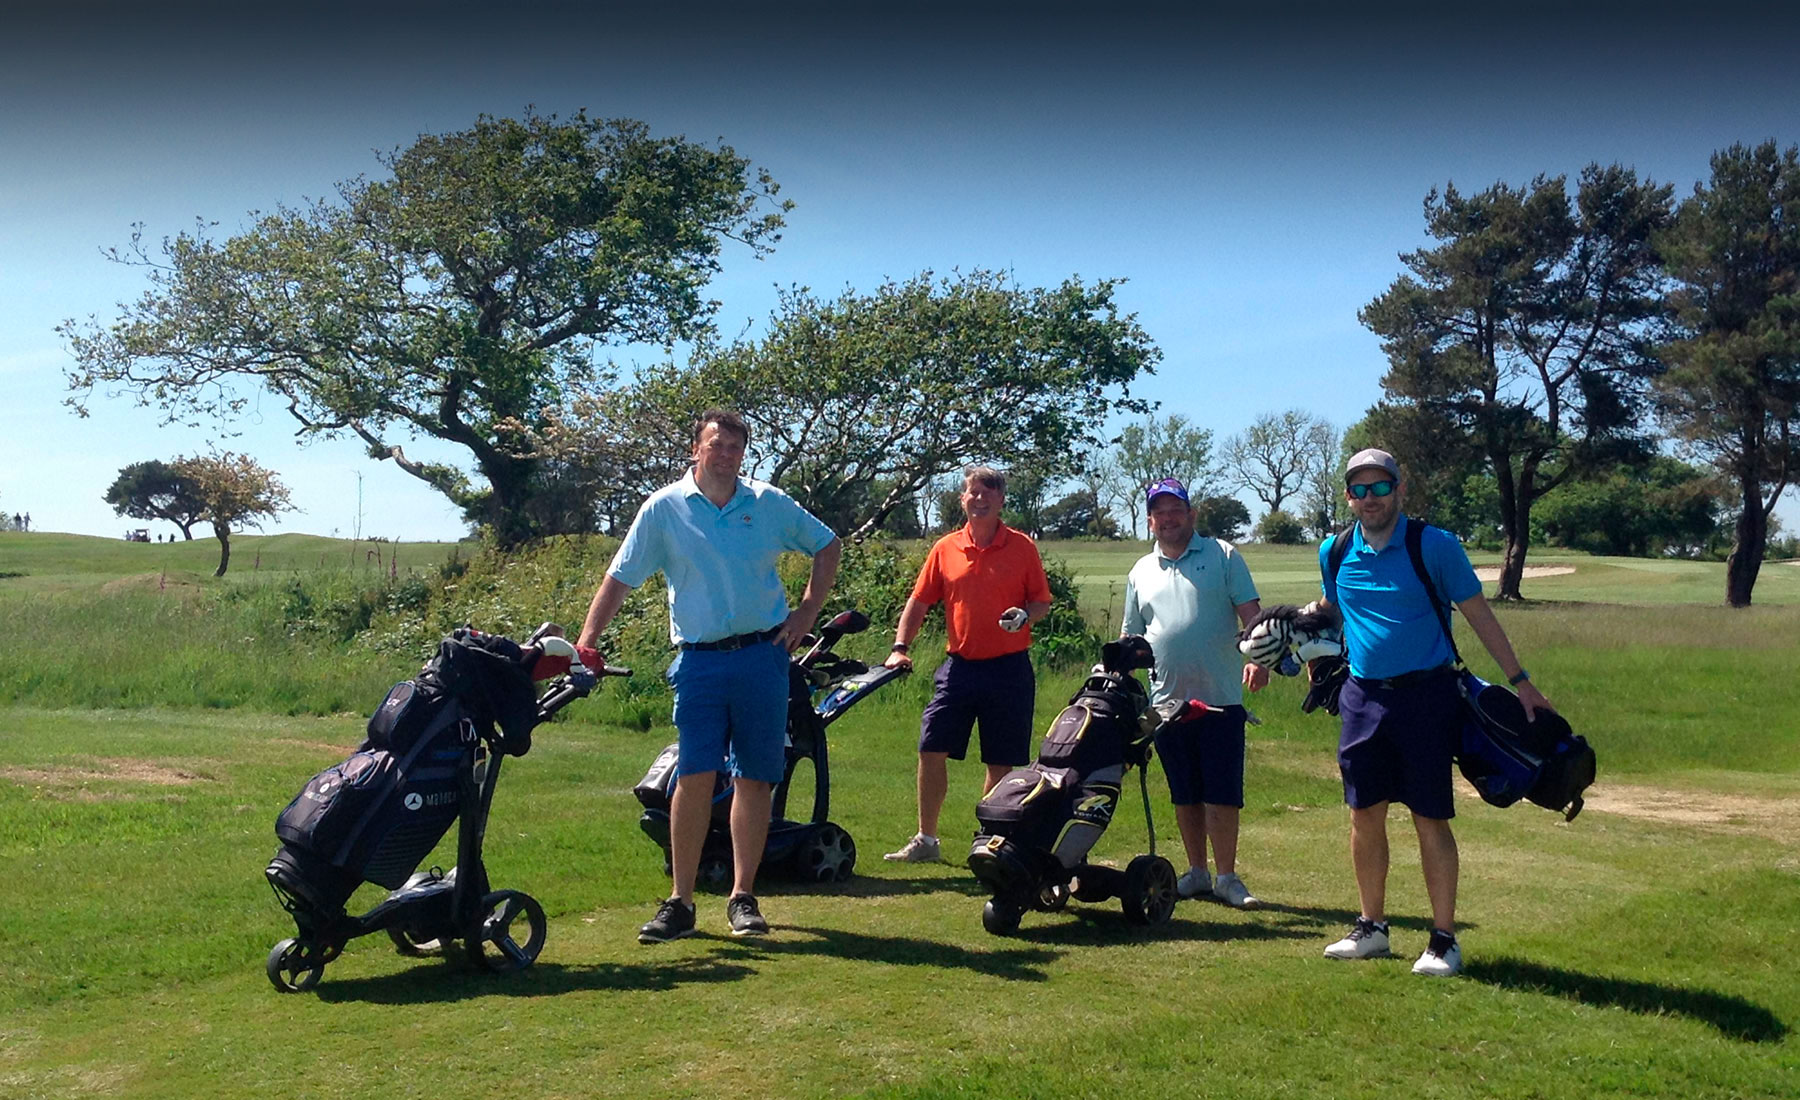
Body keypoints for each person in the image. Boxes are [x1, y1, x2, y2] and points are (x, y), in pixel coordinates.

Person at [576, 409, 841, 943]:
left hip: (762, 656)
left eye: (735, 447)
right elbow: (620, 578)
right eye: (716, 445)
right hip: (697, 660)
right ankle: (681, 902)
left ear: (744, 454)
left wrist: (807, 613)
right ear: (696, 449)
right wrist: (587, 642)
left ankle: (743, 897)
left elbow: (827, 544)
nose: (725, 455)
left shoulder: (767, 503)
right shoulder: (664, 508)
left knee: (755, 776)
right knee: (694, 773)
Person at [1316, 448, 1554, 977]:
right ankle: (1371, 928)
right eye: (1360, 489)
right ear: (1349, 496)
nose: (1370, 498)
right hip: (1361, 697)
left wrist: (1522, 682)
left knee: (1430, 817)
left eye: (1381, 488)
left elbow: (1480, 616)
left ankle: (1444, 939)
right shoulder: (1333, 552)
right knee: (1364, 813)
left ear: (1400, 490)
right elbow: (1336, 616)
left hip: (1427, 696)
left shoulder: (1434, 546)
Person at [882, 466, 1053, 863]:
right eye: (973, 493)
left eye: (988, 494)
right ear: (962, 498)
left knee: (1001, 761)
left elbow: (1041, 602)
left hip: (1009, 669)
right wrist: (900, 645)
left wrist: (1025, 615)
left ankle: (989, 842)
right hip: (959, 667)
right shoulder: (945, 548)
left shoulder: (1022, 546)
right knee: (931, 747)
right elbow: (920, 600)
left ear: (1001, 501)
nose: (980, 499)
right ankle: (926, 840)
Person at [1121, 477, 1268, 908]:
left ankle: (1226, 876)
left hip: (1220, 697)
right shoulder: (1140, 571)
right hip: (1166, 703)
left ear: (1191, 515)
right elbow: (1132, 636)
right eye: (1159, 513)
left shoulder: (1223, 556)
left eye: (1175, 510)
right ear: (1151, 521)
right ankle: (1198, 872)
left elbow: (1252, 615)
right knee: (1184, 793)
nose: (1168, 519)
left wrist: (1258, 658)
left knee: (1221, 792)